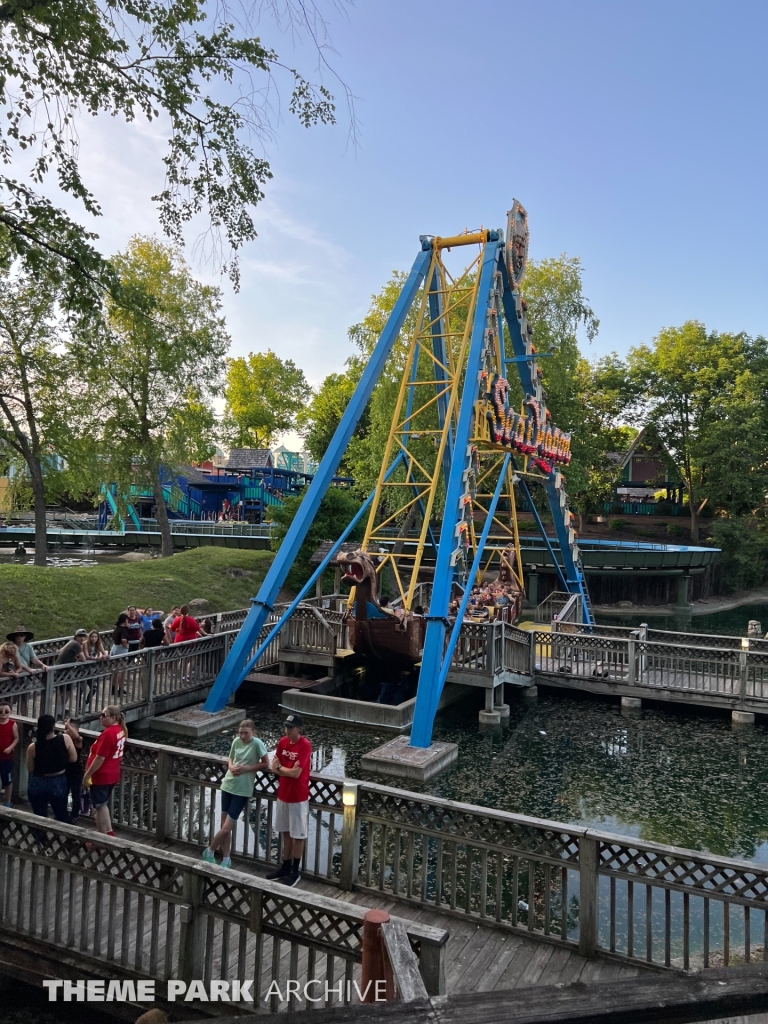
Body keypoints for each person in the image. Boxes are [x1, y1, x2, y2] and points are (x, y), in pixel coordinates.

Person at [201, 719, 268, 868]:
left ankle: (209, 851)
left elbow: (265, 763)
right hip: (228, 784)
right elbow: (230, 758)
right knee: (225, 826)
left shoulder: (257, 744)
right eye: (241, 733)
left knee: (226, 828)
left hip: (243, 789)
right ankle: (226, 858)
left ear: (253, 732)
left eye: (246, 733)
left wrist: (248, 768)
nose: (243, 736)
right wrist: (231, 767)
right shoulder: (236, 741)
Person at [266, 714, 312, 887]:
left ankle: (295, 871)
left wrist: (280, 769)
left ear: (299, 729)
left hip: (298, 796)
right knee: (285, 831)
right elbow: (273, 767)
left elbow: (296, 773)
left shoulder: (305, 745)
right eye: (286, 727)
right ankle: (284, 866)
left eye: (291, 728)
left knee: (298, 834)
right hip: (283, 794)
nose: (288, 731)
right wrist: (283, 769)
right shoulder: (282, 742)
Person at [82, 705, 127, 835]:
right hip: (112, 773)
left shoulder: (108, 734)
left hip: (101, 775)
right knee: (103, 804)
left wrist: (87, 775)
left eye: (103, 716)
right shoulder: (120, 730)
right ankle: (109, 832)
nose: (100, 718)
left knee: (99, 806)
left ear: (113, 718)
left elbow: (100, 758)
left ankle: (101, 837)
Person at [26, 713, 77, 823]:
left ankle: (41, 839)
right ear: (53, 726)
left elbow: (30, 768)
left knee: (39, 816)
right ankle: (65, 837)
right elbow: (73, 758)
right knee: (61, 813)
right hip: (58, 780)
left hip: (39, 781)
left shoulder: (33, 747)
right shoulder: (65, 739)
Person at [63, 714, 84, 822]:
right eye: (66, 729)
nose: (67, 730)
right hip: (64, 770)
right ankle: (63, 813)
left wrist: (68, 725)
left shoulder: (77, 740)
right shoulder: (64, 739)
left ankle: (74, 815)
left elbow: (77, 736)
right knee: (63, 792)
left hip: (75, 771)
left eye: (70, 728)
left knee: (76, 794)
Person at [0, 702, 19, 807]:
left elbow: (16, 738)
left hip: (7, 758)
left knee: (7, 780)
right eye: (0, 711)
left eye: (6, 711)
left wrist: (10, 747)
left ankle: (7, 801)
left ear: (10, 712)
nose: (3, 713)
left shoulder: (12, 724)